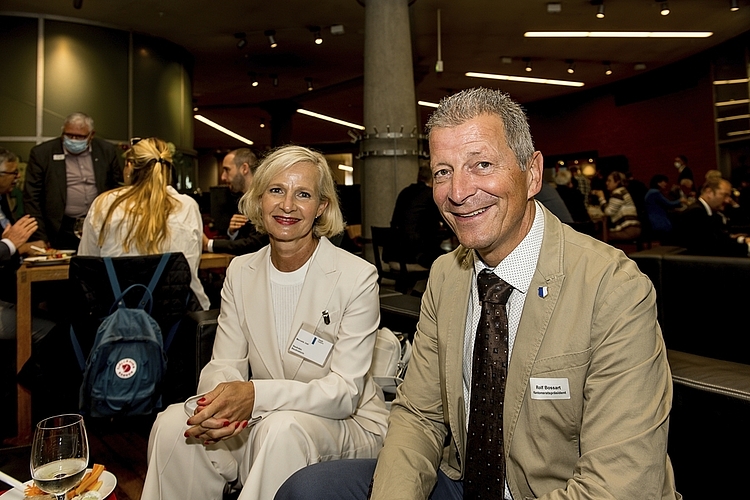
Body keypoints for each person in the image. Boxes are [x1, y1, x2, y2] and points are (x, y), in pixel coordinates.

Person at [276, 87, 679, 500]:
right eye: (442, 172)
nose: (458, 192)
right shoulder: (447, 276)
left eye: (481, 164)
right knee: (309, 488)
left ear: (533, 173)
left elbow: (622, 483)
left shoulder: (612, 287)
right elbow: (419, 415)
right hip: (467, 483)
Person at [142, 145, 388, 500]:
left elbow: (344, 394)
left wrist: (254, 395)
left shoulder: (356, 277)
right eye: (276, 190)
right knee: (171, 425)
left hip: (348, 424)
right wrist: (217, 405)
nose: (287, 205)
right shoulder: (241, 270)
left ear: (321, 207)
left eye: (302, 194)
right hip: (265, 418)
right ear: (258, 199)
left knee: (281, 430)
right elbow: (225, 363)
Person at [78, 137, 210, 310]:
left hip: (115, 316)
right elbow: (190, 266)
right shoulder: (187, 206)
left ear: (130, 166)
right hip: (177, 320)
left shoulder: (105, 204)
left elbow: (86, 265)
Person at [23, 112, 121, 250]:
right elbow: (31, 198)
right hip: (59, 227)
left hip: (99, 224)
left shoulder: (106, 151)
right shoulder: (42, 153)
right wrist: (40, 237)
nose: (73, 140)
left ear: (91, 135)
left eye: (80, 136)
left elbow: (117, 188)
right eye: (69, 135)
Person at [0, 148, 55, 342]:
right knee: (54, 330)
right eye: (13, 173)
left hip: (8, 290)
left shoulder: (4, 199)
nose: (18, 177)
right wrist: (14, 244)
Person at [203, 148, 268, 255]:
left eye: (227, 170)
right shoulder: (242, 200)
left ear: (244, 168)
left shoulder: (263, 198)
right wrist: (233, 232)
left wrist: (209, 244)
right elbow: (242, 240)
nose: (223, 177)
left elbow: (254, 244)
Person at [387, 162, 448, 268]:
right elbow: (445, 219)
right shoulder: (429, 194)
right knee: (451, 262)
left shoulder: (405, 191)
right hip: (414, 254)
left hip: (395, 252)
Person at [672, 177, 749, 257]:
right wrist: (747, 247)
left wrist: (742, 240)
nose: (727, 200)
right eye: (725, 195)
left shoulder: (709, 212)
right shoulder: (696, 213)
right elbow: (712, 247)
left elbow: (719, 239)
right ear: (709, 192)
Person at [592, 170, 642, 241]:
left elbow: (608, 212)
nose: (607, 183)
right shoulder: (622, 191)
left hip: (628, 229)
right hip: (634, 228)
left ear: (617, 182)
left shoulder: (618, 194)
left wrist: (601, 198)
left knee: (597, 238)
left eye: (609, 181)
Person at [644, 174, 684, 242]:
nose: (666, 184)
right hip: (658, 219)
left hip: (655, 218)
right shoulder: (655, 192)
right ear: (659, 183)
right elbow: (668, 204)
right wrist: (680, 200)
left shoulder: (651, 192)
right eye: (664, 182)